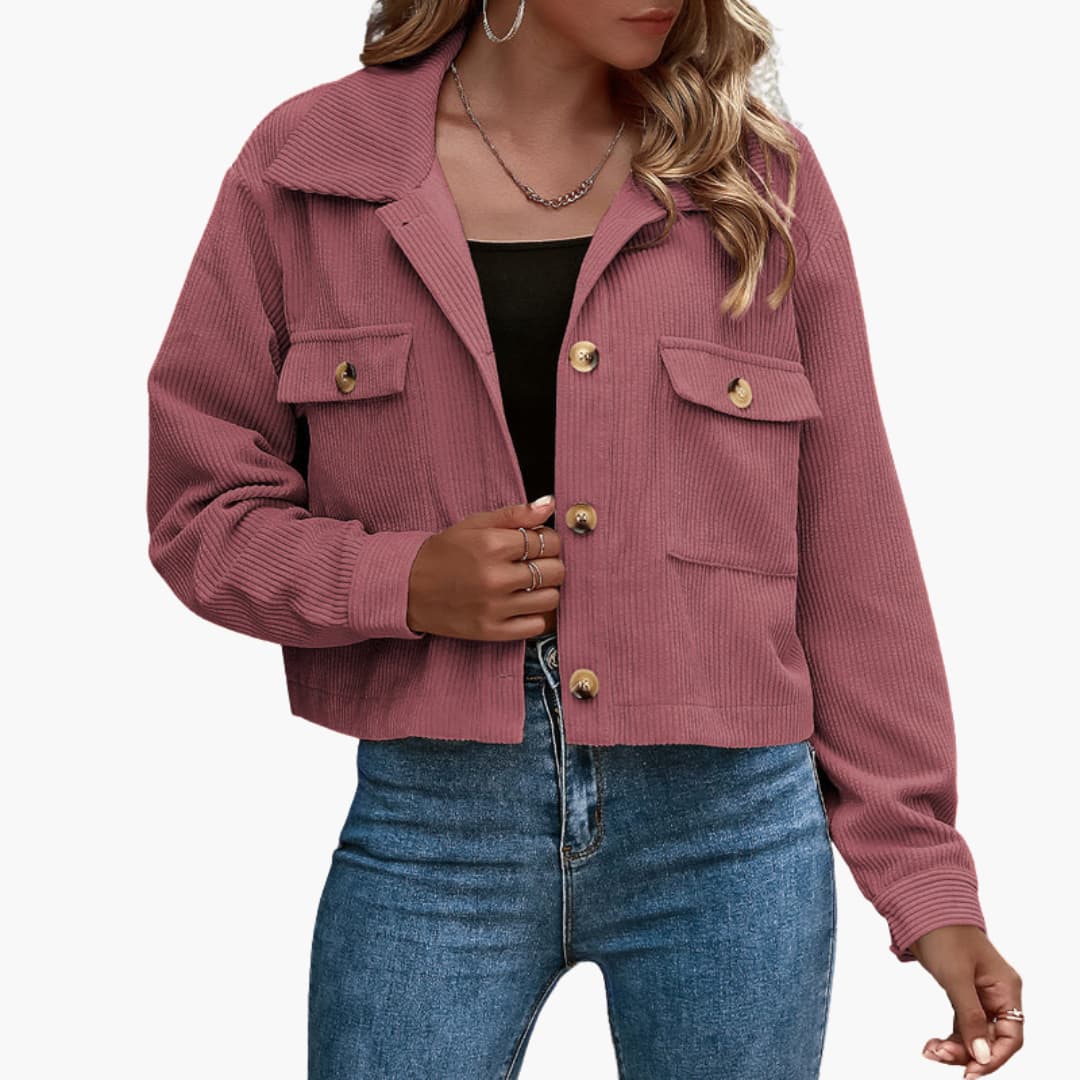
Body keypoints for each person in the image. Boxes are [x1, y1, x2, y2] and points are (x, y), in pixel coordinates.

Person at [144, 1, 1025, 1077]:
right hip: (436, 832)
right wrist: (401, 580)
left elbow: (853, 548)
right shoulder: (311, 168)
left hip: (732, 834)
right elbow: (200, 512)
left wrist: (927, 883)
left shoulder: (758, 179)